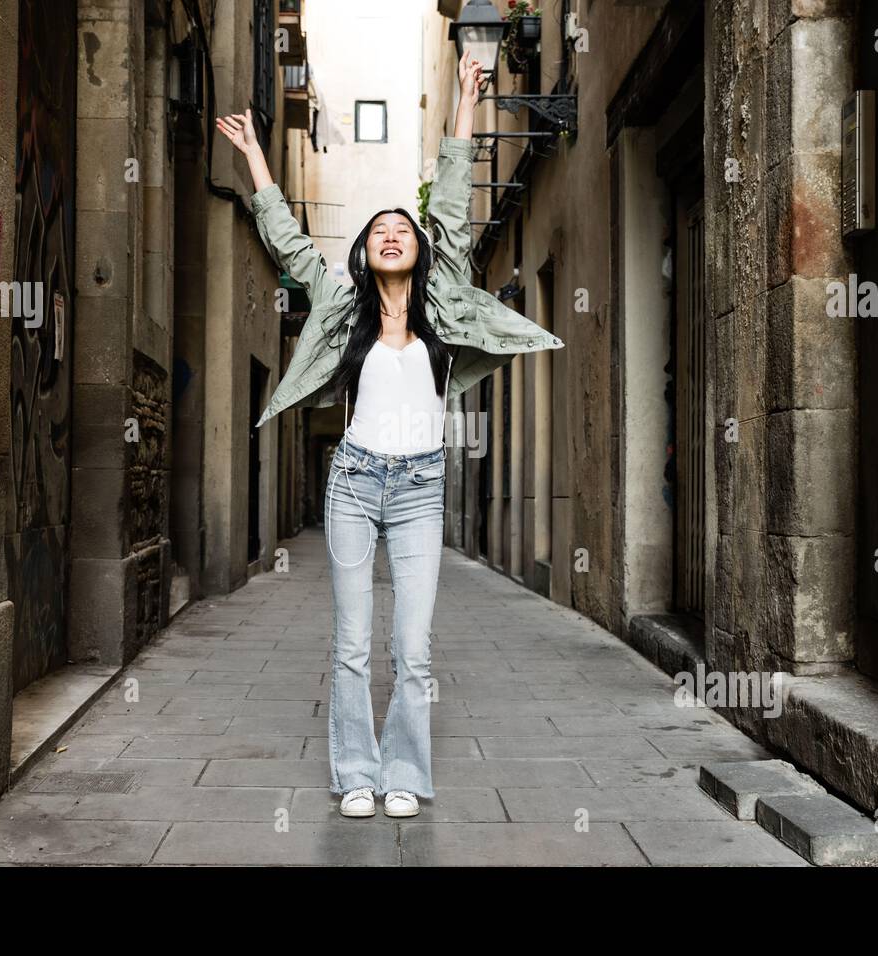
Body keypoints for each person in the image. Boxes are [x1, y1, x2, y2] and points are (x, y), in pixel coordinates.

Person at [218, 49, 563, 819]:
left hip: (418, 488)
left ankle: (403, 771)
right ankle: (356, 775)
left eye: (400, 226)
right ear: (366, 254)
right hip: (353, 482)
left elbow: (447, 198)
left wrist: (467, 106)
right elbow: (292, 249)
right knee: (350, 645)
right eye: (378, 229)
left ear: (418, 246)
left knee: (414, 648)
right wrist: (254, 162)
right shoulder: (343, 310)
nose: (392, 232)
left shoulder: (442, 307)